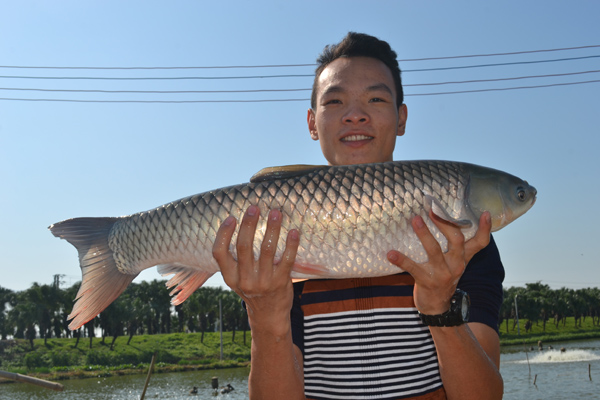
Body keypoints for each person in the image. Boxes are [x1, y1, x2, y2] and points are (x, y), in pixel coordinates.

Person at [212, 32, 504, 400]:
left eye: (376, 98)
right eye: (335, 101)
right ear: (311, 123)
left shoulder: (461, 242)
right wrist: (265, 315)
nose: (355, 115)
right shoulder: (276, 231)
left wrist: (439, 309)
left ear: (401, 117)